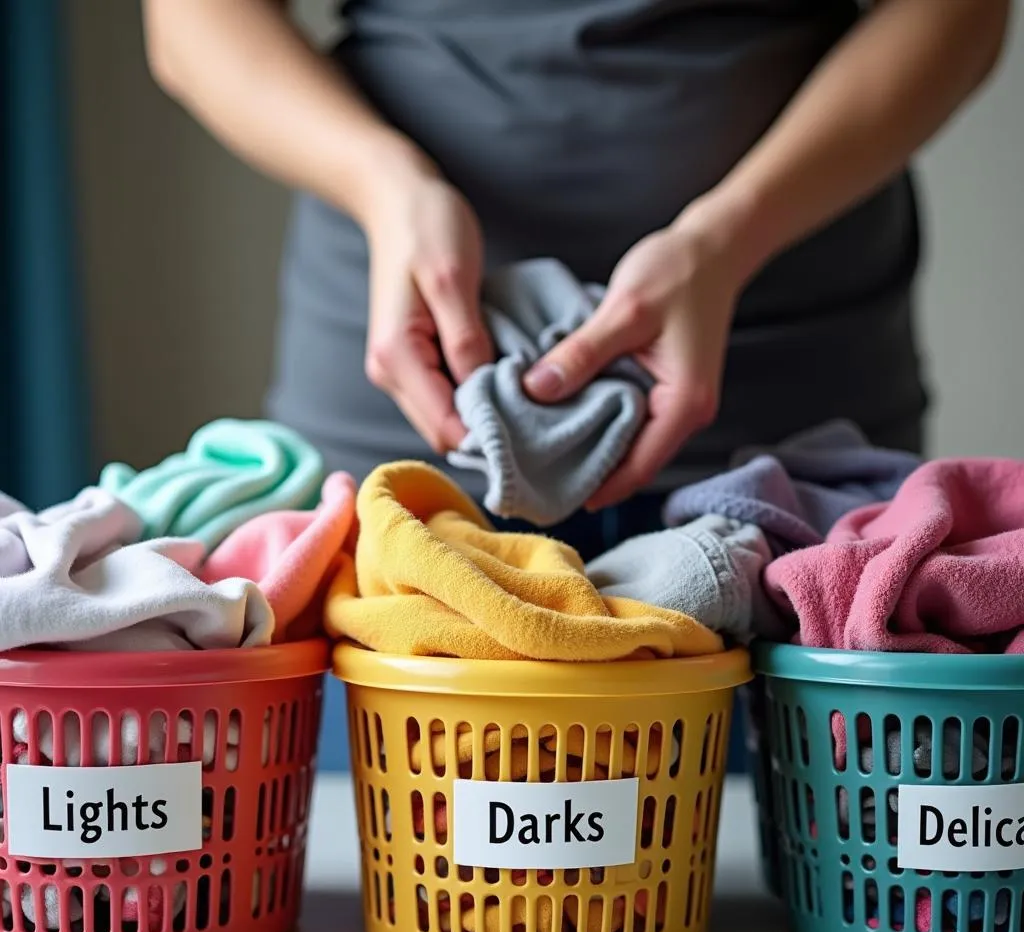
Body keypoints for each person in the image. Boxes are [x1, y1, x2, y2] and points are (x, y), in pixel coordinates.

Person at [142, 0, 1009, 564]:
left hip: (792, 444)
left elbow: (957, 15)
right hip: (404, 453)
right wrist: (385, 186)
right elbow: (192, 23)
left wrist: (731, 233)